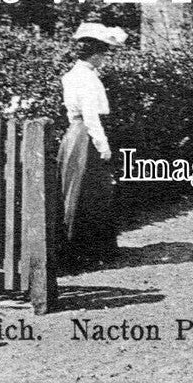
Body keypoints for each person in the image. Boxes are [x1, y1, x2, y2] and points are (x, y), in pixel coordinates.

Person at [59, 22, 126, 267]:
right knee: (90, 192)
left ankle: (85, 248)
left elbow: (72, 114)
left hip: (74, 133)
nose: (104, 59)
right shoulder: (86, 79)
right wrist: (102, 144)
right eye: (103, 54)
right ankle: (85, 251)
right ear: (96, 54)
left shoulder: (72, 75)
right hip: (86, 135)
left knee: (80, 190)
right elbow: (90, 115)